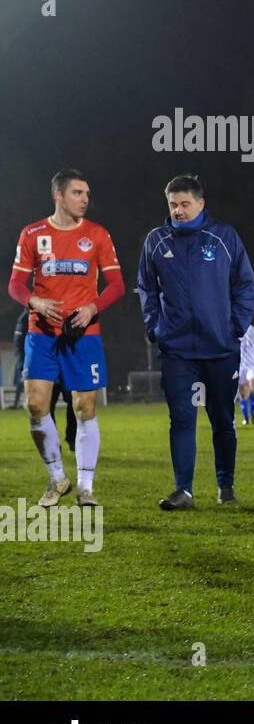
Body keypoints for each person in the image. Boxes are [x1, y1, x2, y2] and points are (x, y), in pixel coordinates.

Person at [137, 174, 254, 509]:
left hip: (220, 348)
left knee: (222, 419)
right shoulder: (156, 242)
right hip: (177, 351)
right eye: (173, 204)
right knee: (182, 418)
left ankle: (226, 485)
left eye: (185, 204)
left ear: (201, 204)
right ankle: (184, 491)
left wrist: (233, 326)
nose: (178, 210)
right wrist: (154, 327)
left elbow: (246, 287)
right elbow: (146, 288)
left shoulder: (223, 237)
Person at [8, 168, 125, 508]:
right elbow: (15, 284)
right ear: (58, 196)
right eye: (77, 193)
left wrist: (92, 307)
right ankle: (58, 478)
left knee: (84, 406)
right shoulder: (32, 234)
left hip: (83, 335)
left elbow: (117, 285)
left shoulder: (98, 236)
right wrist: (34, 301)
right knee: (35, 405)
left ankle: (86, 487)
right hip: (41, 334)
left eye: (87, 193)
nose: (85, 199)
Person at [11, 309, 27, 408]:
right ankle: (16, 403)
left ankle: (17, 403)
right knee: (21, 381)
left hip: (28, 355)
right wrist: (21, 362)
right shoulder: (23, 319)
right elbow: (18, 343)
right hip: (25, 357)